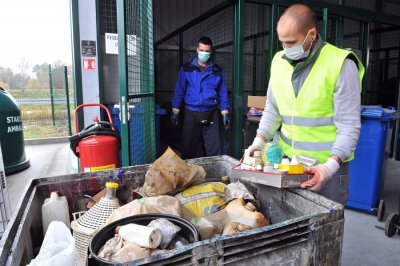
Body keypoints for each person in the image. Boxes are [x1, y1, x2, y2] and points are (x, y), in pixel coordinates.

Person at [247, 3, 364, 205]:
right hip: (286, 164)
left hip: (326, 169)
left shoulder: (341, 64)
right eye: (282, 42)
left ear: (311, 34)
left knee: (324, 230)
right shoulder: (278, 61)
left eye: (291, 42)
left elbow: (349, 126)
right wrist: (259, 141)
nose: (286, 49)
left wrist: (329, 167)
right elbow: (273, 110)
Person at [171, 36, 230, 159]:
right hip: (191, 112)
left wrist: (225, 112)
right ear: (197, 50)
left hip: (211, 112)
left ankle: (215, 174)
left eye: (207, 51)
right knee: (187, 147)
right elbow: (179, 89)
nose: (204, 53)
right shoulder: (187, 68)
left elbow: (222, 92)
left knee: (214, 148)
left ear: (211, 51)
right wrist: (175, 110)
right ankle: (188, 175)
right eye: (202, 50)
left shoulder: (217, 70)